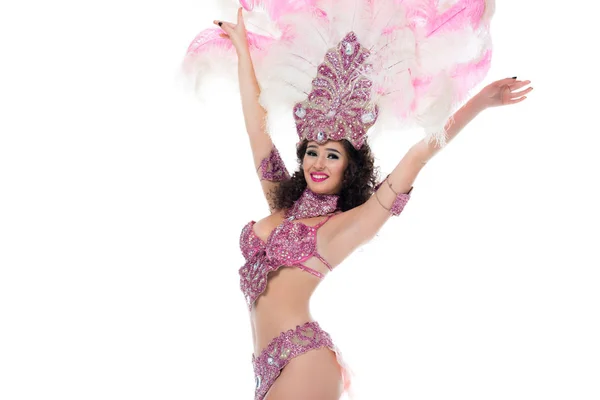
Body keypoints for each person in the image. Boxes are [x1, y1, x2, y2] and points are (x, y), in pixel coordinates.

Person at [186, 1, 532, 399]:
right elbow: (256, 128)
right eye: (312, 151)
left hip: (304, 362)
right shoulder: (280, 203)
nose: (318, 162)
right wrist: (244, 52)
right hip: (265, 369)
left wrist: (480, 103)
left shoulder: (344, 227)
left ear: (349, 168)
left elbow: (417, 156)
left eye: (332, 155)